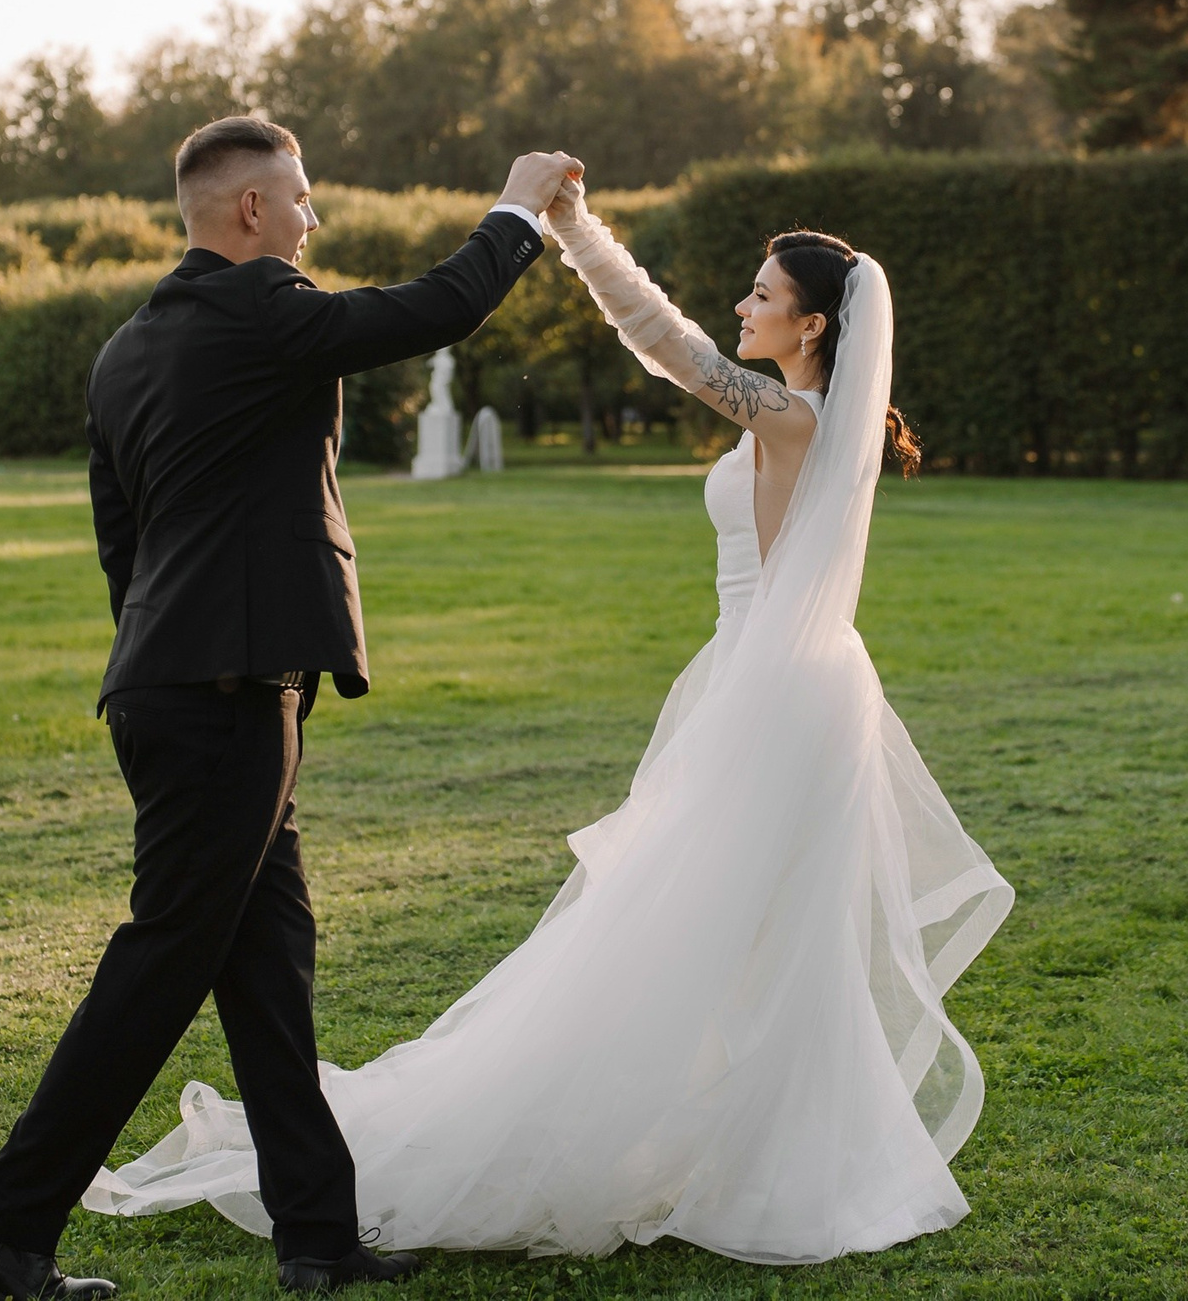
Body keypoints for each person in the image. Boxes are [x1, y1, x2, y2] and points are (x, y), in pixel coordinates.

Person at [85, 175, 1013, 1265]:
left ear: (813, 324)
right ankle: (756, 1154)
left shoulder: (796, 419)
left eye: (760, 296)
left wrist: (572, 230)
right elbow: (684, 346)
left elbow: (666, 345)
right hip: (778, 683)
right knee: (746, 931)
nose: (741, 308)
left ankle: (738, 1160)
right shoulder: (800, 418)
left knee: (696, 928)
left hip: (775, 697)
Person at [0, 118, 579, 1299]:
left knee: (270, 969)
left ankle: (318, 1240)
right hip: (222, 698)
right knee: (165, 957)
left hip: (175, 686)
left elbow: (119, 539)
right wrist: (517, 210)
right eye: (304, 202)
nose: (313, 223)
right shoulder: (265, 311)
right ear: (250, 215)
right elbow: (426, 309)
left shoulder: (127, 349)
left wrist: (172, 651)